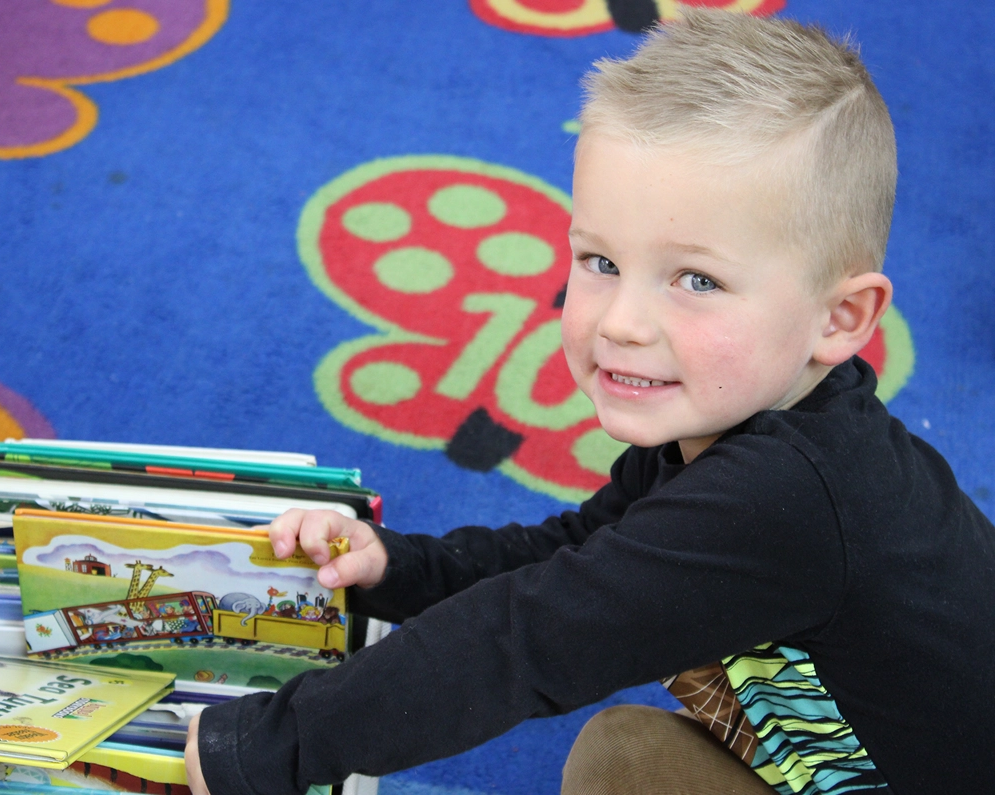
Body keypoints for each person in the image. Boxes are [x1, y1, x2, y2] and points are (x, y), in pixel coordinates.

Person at [185, 10, 995, 794]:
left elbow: (522, 643)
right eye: (600, 261)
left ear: (840, 318)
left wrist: (266, 749)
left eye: (698, 280)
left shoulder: (787, 496)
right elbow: (570, 556)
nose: (622, 322)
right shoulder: (740, 428)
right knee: (625, 760)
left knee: (618, 765)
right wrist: (397, 568)